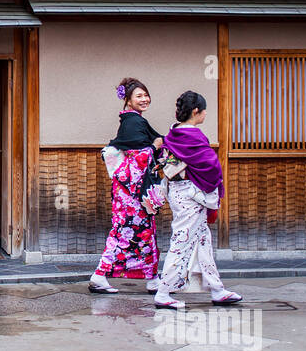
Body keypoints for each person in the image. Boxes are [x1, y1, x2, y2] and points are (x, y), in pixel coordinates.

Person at [153, 90, 242, 310]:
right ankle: (163, 292)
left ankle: (217, 288)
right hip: (192, 196)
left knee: (202, 240)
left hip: (178, 191)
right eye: (203, 111)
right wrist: (216, 189)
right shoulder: (194, 136)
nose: (204, 114)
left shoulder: (174, 134)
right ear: (196, 111)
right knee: (182, 240)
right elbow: (211, 166)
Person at [89, 77, 165, 294]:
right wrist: (154, 146)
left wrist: (154, 147)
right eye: (139, 96)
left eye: (145, 95)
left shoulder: (134, 120)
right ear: (129, 101)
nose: (144, 99)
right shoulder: (132, 122)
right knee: (124, 233)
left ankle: (152, 279)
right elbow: (137, 159)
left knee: (145, 233)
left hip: (133, 191)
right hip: (130, 194)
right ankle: (99, 275)